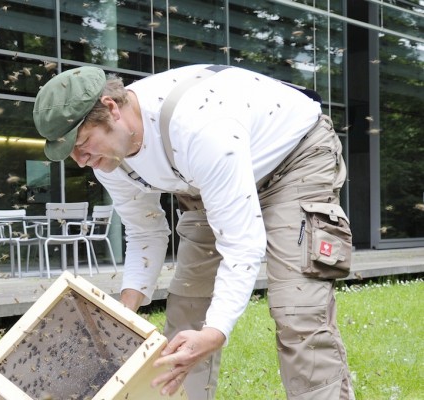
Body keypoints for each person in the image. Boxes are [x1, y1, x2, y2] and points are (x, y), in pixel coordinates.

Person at [32, 64, 355, 400]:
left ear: (111, 109)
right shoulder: (108, 159)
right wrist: (125, 310)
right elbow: (145, 232)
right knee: (186, 314)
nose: (81, 161)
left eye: (82, 143)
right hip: (204, 179)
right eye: (71, 153)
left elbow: (241, 242)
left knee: (297, 311)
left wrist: (217, 331)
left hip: (292, 161)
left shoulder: (199, 128)